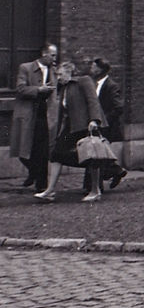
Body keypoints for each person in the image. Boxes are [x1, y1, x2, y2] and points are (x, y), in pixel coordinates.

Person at [34, 59, 106, 203]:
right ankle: (50, 190)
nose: (58, 77)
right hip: (71, 127)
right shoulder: (65, 87)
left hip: (86, 125)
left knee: (92, 157)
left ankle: (95, 190)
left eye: (60, 74)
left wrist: (94, 120)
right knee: (56, 154)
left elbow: (93, 100)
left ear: (70, 72)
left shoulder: (84, 81)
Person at [9, 43, 58, 191]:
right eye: (53, 55)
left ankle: (41, 186)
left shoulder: (54, 70)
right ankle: (33, 172)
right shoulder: (26, 68)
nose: (54, 58)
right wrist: (39, 89)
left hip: (46, 115)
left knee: (43, 151)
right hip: (30, 115)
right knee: (24, 151)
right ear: (44, 53)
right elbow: (20, 88)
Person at [85, 57, 127, 191]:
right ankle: (115, 171)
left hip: (106, 126)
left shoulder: (111, 86)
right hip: (95, 125)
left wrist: (102, 119)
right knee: (95, 153)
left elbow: (118, 107)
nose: (91, 70)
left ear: (100, 69)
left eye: (93, 67)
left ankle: (94, 185)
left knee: (96, 154)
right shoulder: (93, 84)